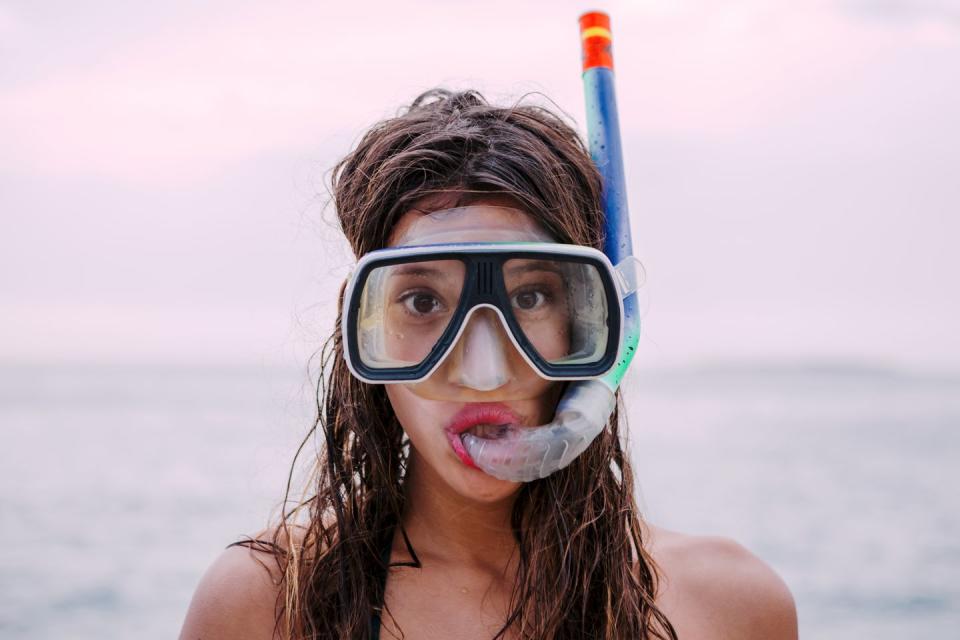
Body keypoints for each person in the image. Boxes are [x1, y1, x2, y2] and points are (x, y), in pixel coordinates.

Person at [179, 89, 798, 639]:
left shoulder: (732, 609)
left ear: (592, 320)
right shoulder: (266, 606)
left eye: (530, 297)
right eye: (422, 302)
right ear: (362, 330)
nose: (483, 371)